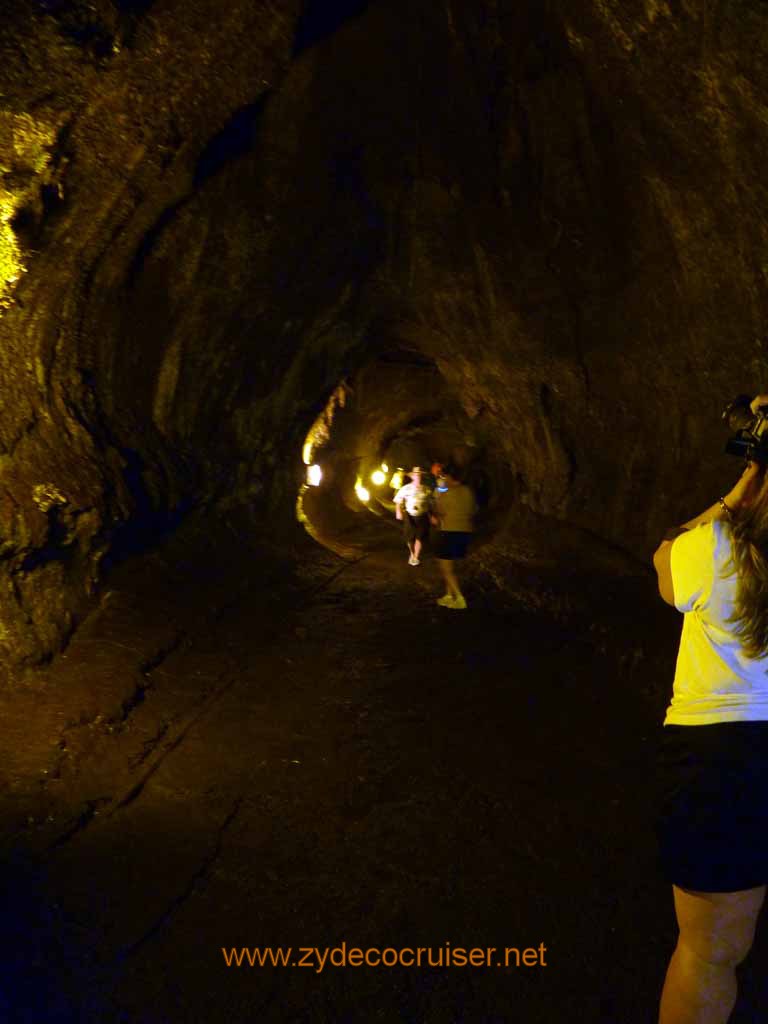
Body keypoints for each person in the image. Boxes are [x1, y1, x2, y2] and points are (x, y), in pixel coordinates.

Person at [652, 398, 768, 1024]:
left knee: (709, 953)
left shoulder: (717, 545)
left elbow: (665, 565)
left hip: (723, 758)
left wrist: (742, 485)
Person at [431, 464, 476, 609]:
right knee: (450, 565)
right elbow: (472, 510)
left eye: (445, 476)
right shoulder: (468, 491)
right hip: (465, 532)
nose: (444, 479)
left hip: (448, 531)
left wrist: (435, 514)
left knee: (446, 568)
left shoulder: (447, 493)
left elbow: (439, 512)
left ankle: (460, 598)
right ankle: (449, 596)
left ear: (450, 477)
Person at [393, 466, 433, 566]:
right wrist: (398, 511)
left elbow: (430, 503)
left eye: (419, 474)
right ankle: (412, 552)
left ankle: (415, 557)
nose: (418, 476)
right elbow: (398, 500)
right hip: (410, 515)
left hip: (422, 515)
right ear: (412, 476)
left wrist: (431, 515)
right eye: (416, 474)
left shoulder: (426, 489)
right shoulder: (406, 488)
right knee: (409, 537)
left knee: (420, 537)